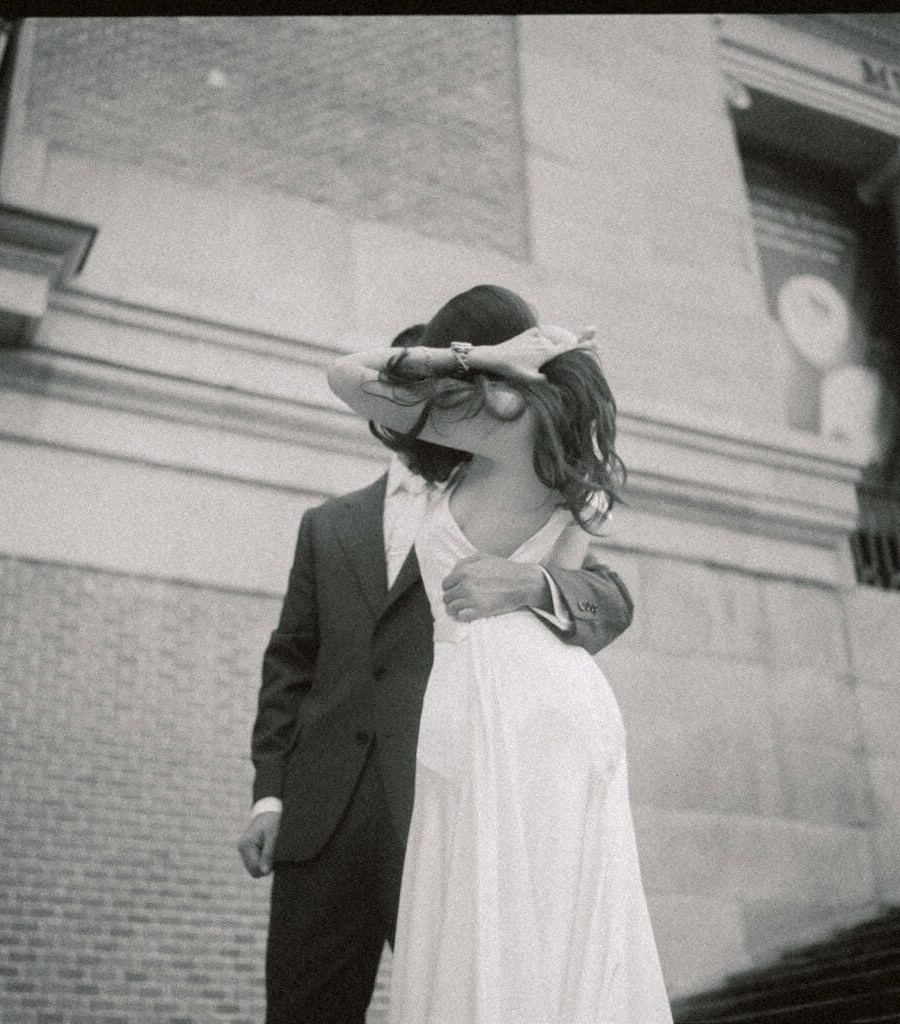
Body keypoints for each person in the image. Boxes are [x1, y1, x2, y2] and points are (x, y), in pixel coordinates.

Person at [239, 318, 636, 1024]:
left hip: (445, 797)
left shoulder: (509, 481)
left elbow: (610, 597)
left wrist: (529, 584)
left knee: (461, 998)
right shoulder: (327, 524)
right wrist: (268, 796)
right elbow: (289, 664)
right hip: (322, 822)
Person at [327, 285, 672, 1023]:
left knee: (509, 909)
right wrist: (485, 357)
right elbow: (352, 378)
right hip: (521, 690)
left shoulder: (509, 422)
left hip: (506, 694)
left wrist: (479, 359)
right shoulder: (526, 440)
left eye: (456, 354)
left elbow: (347, 375)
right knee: (527, 910)